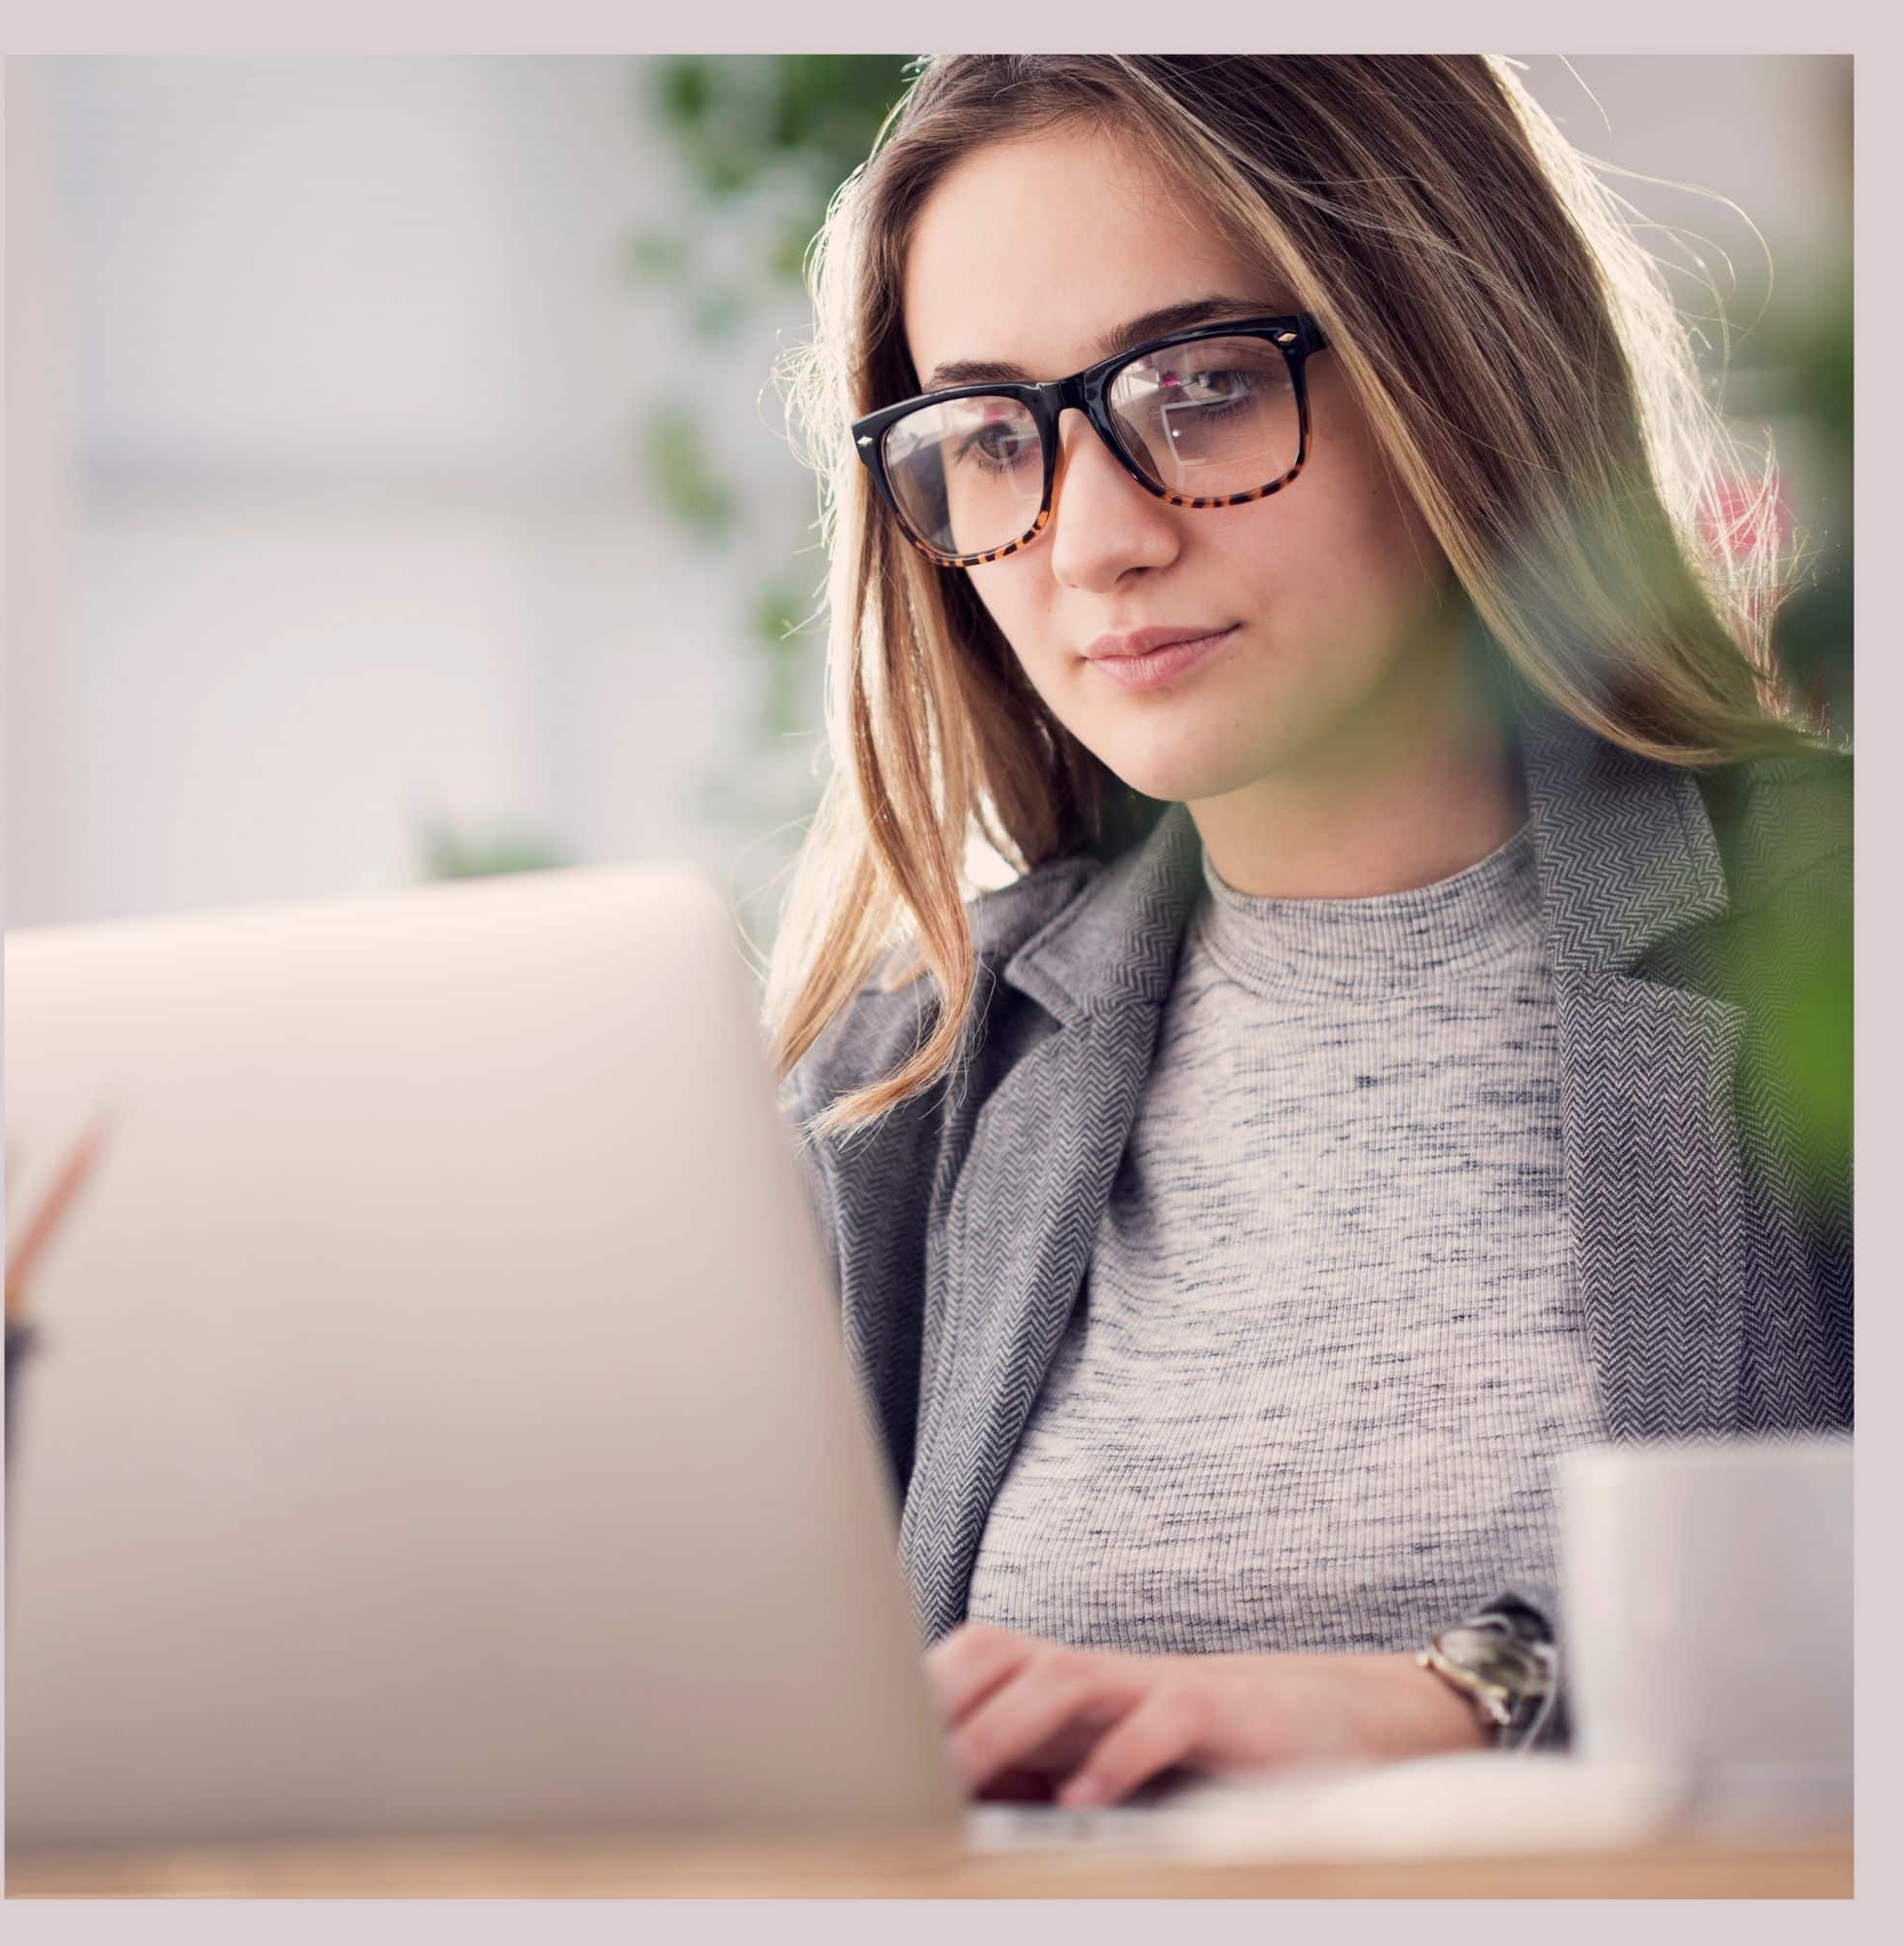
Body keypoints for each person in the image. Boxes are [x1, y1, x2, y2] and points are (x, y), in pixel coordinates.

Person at [764, 55, 1851, 1810]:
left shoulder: (1834, 931)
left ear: (1456, 364)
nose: (1096, 540)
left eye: (1197, 388)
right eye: (990, 436)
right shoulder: (910, 1076)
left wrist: (1467, 1690)